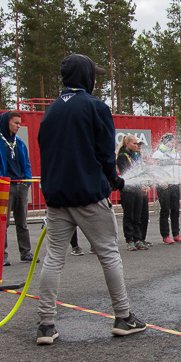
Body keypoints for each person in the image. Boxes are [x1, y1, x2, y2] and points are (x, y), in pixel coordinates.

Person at [35, 53, 146, 345]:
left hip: (56, 196)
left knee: (53, 258)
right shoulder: (96, 106)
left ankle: (46, 325)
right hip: (88, 195)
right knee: (108, 254)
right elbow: (104, 153)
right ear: (86, 77)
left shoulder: (51, 110)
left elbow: (45, 148)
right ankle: (123, 317)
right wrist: (114, 180)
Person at [0, 111, 33, 265]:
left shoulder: (20, 143)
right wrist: (2, 181)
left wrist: (27, 181)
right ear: (7, 123)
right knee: (2, 223)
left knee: (22, 222)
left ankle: (25, 253)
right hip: (3, 187)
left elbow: (27, 164)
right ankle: (1, 256)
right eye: (16, 123)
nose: (19, 126)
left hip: (20, 186)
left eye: (19, 123)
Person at [151, 133, 181, 244]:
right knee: (165, 210)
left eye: (173, 141)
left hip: (174, 185)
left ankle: (176, 234)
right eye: (170, 141)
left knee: (175, 210)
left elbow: (180, 170)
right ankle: (165, 235)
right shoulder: (158, 154)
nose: (172, 143)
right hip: (164, 186)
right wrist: (161, 182)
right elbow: (154, 171)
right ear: (165, 141)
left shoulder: (176, 154)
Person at [116, 134, 148, 251]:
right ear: (127, 143)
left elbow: (142, 171)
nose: (136, 146)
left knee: (138, 216)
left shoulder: (136, 156)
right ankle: (129, 240)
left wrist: (145, 185)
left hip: (139, 189)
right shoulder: (122, 156)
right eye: (134, 143)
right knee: (129, 215)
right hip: (128, 190)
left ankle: (138, 239)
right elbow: (126, 173)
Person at [135, 140, 153, 247]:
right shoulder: (130, 157)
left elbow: (146, 173)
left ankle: (142, 238)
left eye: (140, 146)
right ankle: (136, 238)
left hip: (144, 189)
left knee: (144, 216)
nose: (139, 147)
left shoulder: (142, 158)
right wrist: (140, 186)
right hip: (136, 190)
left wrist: (148, 185)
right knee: (136, 216)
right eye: (137, 145)